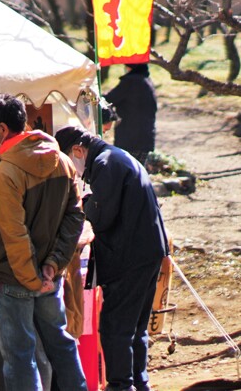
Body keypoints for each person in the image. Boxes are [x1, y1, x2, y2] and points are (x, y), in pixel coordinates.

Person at [0, 93, 87, 391]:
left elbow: (14, 234)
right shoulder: (63, 161)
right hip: (49, 276)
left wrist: (34, 279)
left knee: (20, 359)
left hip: (15, 279)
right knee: (62, 345)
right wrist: (53, 265)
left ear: (1, 129)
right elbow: (75, 218)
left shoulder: (5, 172)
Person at [55, 125, 169, 391]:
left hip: (130, 257)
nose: (73, 172)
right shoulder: (116, 157)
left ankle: (121, 385)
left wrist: (82, 204)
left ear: (78, 151)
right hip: (146, 251)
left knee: (116, 327)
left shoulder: (106, 164)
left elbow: (101, 215)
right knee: (135, 327)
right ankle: (138, 382)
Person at [104, 63, 157, 165]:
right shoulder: (147, 82)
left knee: (126, 170)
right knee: (138, 170)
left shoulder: (130, 81)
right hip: (146, 137)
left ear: (131, 67)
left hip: (129, 138)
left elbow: (109, 99)